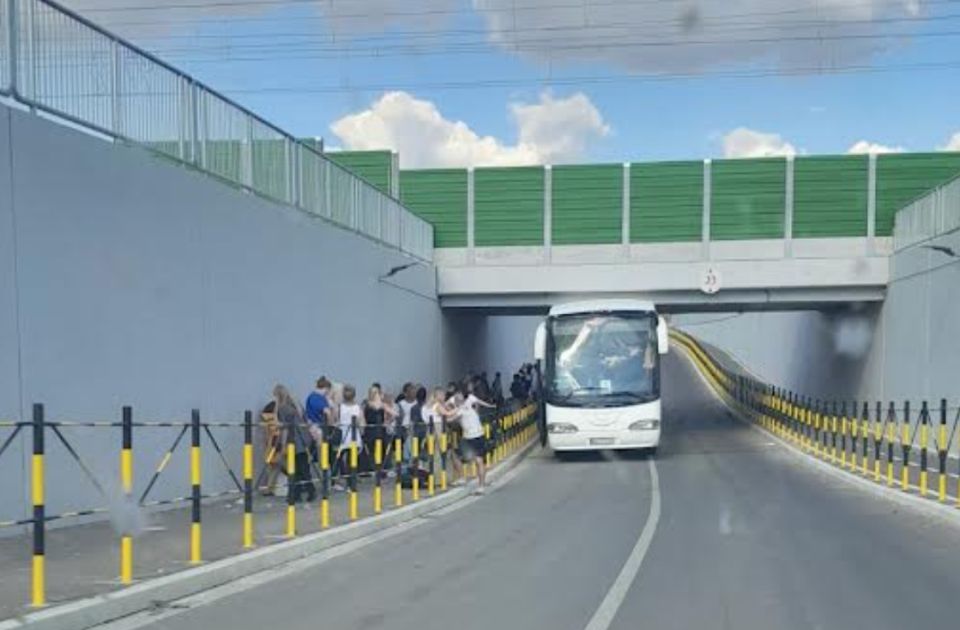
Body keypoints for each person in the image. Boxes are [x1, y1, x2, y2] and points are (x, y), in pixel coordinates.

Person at [274, 384, 315, 503]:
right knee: (302, 468)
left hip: (295, 441)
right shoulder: (295, 405)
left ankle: (297, 494)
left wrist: (282, 446)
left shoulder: (282, 409)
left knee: (296, 469)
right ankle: (305, 492)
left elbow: (285, 429)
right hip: (304, 438)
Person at [452, 390, 495, 494]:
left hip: (470, 438)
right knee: (478, 461)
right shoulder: (470, 401)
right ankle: (480, 485)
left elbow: (450, 419)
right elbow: (480, 402)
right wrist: (490, 406)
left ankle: (467, 479)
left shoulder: (459, 410)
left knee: (462, 457)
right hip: (478, 435)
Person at [334, 385, 364, 485]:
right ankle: (352, 483)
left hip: (342, 436)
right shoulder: (357, 407)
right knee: (352, 461)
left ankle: (333, 481)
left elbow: (335, 421)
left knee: (336, 459)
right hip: (354, 437)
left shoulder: (339, 407)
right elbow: (362, 423)